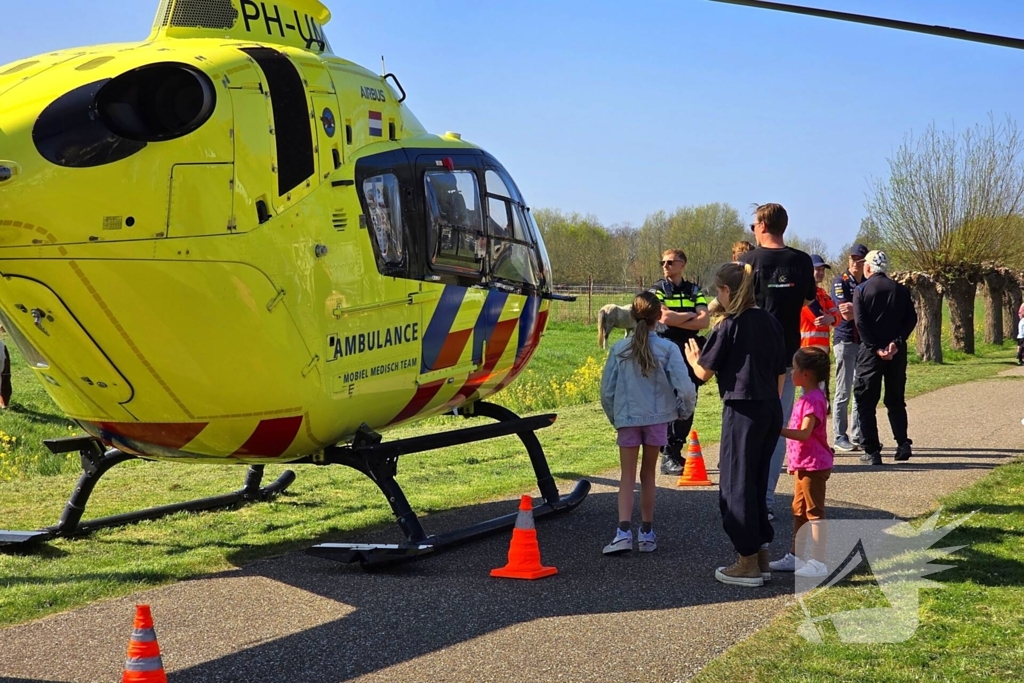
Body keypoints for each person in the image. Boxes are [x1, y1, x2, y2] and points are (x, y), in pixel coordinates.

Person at [684, 263, 787, 587]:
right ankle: (761, 556)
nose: (717, 296)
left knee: (735, 485)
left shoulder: (729, 325)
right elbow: (781, 375)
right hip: (770, 407)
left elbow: (703, 373)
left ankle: (746, 563)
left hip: (743, 410)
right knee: (757, 482)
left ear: (728, 291)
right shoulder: (771, 322)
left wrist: (692, 358)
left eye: (719, 290)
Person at [600, 292, 697, 555]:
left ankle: (622, 533)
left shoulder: (619, 349)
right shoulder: (668, 348)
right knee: (649, 475)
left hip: (628, 419)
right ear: (658, 317)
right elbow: (686, 389)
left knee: (627, 476)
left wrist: (615, 418)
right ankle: (646, 532)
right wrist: (682, 412)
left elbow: (606, 391)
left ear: (632, 315)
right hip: (657, 419)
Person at [739, 204, 816, 519]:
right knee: (778, 427)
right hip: (786, 356)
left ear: (761, 226)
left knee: (748, 426)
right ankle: (766, 500)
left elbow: (738, 305)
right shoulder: (801, 261)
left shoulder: (748, 262)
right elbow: (810, 300)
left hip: (752, 357)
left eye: (753, 225)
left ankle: (748, 497)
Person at [768, 347, 833, 579]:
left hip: (814, 466)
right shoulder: (806, 398)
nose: (791, 373)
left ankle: (818, 560)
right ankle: (795, 556)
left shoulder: (814, 400)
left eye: (794, 369)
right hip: (804, 465)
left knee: (814, 512)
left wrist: (776, 430)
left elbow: (805, 434)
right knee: (799, 510)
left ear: (806, 374)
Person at [853, 250, 918, 466]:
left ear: (869, 268)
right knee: (895, 399)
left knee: (865, 401)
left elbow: (860, 323)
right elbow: (911, 319)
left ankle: (872, 451)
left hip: (870, 354)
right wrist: (896, 342)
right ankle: (902, 443)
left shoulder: (861, 290)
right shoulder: (900, 290)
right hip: (896, 353)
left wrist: (874, 348)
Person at [649, 249, 710, 475]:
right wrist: (690, 317)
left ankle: (675, 450)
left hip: (690, 351)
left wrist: (679, 318)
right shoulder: (657, 289)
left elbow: (705, 321)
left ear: (682, 264)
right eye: (662, 262)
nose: (665, 265)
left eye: (670, 262)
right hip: (665, 350)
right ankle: (666, 455)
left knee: (688, 399)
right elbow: (663, 317)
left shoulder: (694, 289)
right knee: (667, 401)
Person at [831, 244, 868, 452]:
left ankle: (857, 434)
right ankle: (839, 435)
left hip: (863, 342)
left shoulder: (868, 283)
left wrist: (860, 310)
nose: (855, 263)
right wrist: (864, 310)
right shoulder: (840, 281)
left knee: (859, 390)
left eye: (859, 260)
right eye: (852, 259)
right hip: (845, 341)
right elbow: (845, 313)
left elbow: (867, 311)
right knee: (843, 391)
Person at [799, 255, 840, 405]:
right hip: (807, 351)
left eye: (822, 270)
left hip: (822, 352)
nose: (821, 273)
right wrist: (830, 318)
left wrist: (832, 319)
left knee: (822, 395)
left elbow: (838, 316)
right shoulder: (802, 293)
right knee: (809, 395)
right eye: (817, 269)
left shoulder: (823, 294)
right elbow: (817, 319)